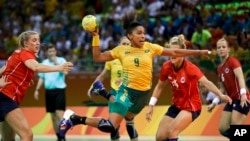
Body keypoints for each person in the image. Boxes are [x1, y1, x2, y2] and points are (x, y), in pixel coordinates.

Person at [58, 11, 213, 139]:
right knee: (110, 126)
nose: (143, 36)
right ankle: (74, 119)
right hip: (126, 91)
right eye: (139, 33)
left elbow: (174, 51)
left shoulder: (150, 47)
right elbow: (97, 57)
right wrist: (95, 37)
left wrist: (198, 52)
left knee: (129, 118)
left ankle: (103, 93)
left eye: (144, 33)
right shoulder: (121, 50)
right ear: (130, 36)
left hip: (143, 95)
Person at [145, 35, 232, 141]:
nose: (173, 54)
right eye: (171, 51)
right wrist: (151, 105)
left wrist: (221, 95)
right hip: (176, 105)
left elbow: (207, 83)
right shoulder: (166, 67)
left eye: (176, 52)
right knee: (160, 137)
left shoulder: (191, 68)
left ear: (183, 53)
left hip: (191, 106)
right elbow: (159, 87)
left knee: (172, 131)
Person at [0, 30, 73, 141]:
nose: (38, 43)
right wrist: (59, 67)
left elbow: (5, 70)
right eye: (34, 40)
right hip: (6, 98)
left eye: (38, 40)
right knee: (27, 135)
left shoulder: (16, 54)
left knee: (8, 138)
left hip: (5, 97)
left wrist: (25, 79)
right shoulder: (26, 53)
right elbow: (36, 67)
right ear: (25, 43)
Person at [87, 36, 139, 141]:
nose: (126, 46)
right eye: (124, 44)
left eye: (128, 44)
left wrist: (125, 79)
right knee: (113, 126)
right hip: (114, 94)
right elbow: (102, 76)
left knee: (130, 122)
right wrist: (92, 86)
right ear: (119, 45)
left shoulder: (134, 59)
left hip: (128, 94)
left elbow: (139, 76)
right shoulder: (112, 59)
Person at [209, 38, 250, 139]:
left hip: (241, 99)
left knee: (235, 129)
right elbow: (222, 89)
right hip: (231, 100)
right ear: (217, 50)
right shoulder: (219, 68)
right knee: (223, 129)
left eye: (224, 47)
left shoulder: (233, 61)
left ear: (228, 49)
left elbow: (241, 77)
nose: (221, 49)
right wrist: (214, 102)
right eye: (219, 47)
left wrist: (243, 94)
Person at [33, 43, 69, 141]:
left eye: (53, 51)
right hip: (49, 92)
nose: (52, 53)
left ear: (55, 52)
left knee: (59, 113)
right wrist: (36, 90)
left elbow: (66, 72)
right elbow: (41, 78)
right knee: (53, 116)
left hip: (59, 91)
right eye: (50, 51)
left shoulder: (61, 61)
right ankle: (58, 136)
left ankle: (63, 136)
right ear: (46, 53)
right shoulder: (44, 63)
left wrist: (56, 63)